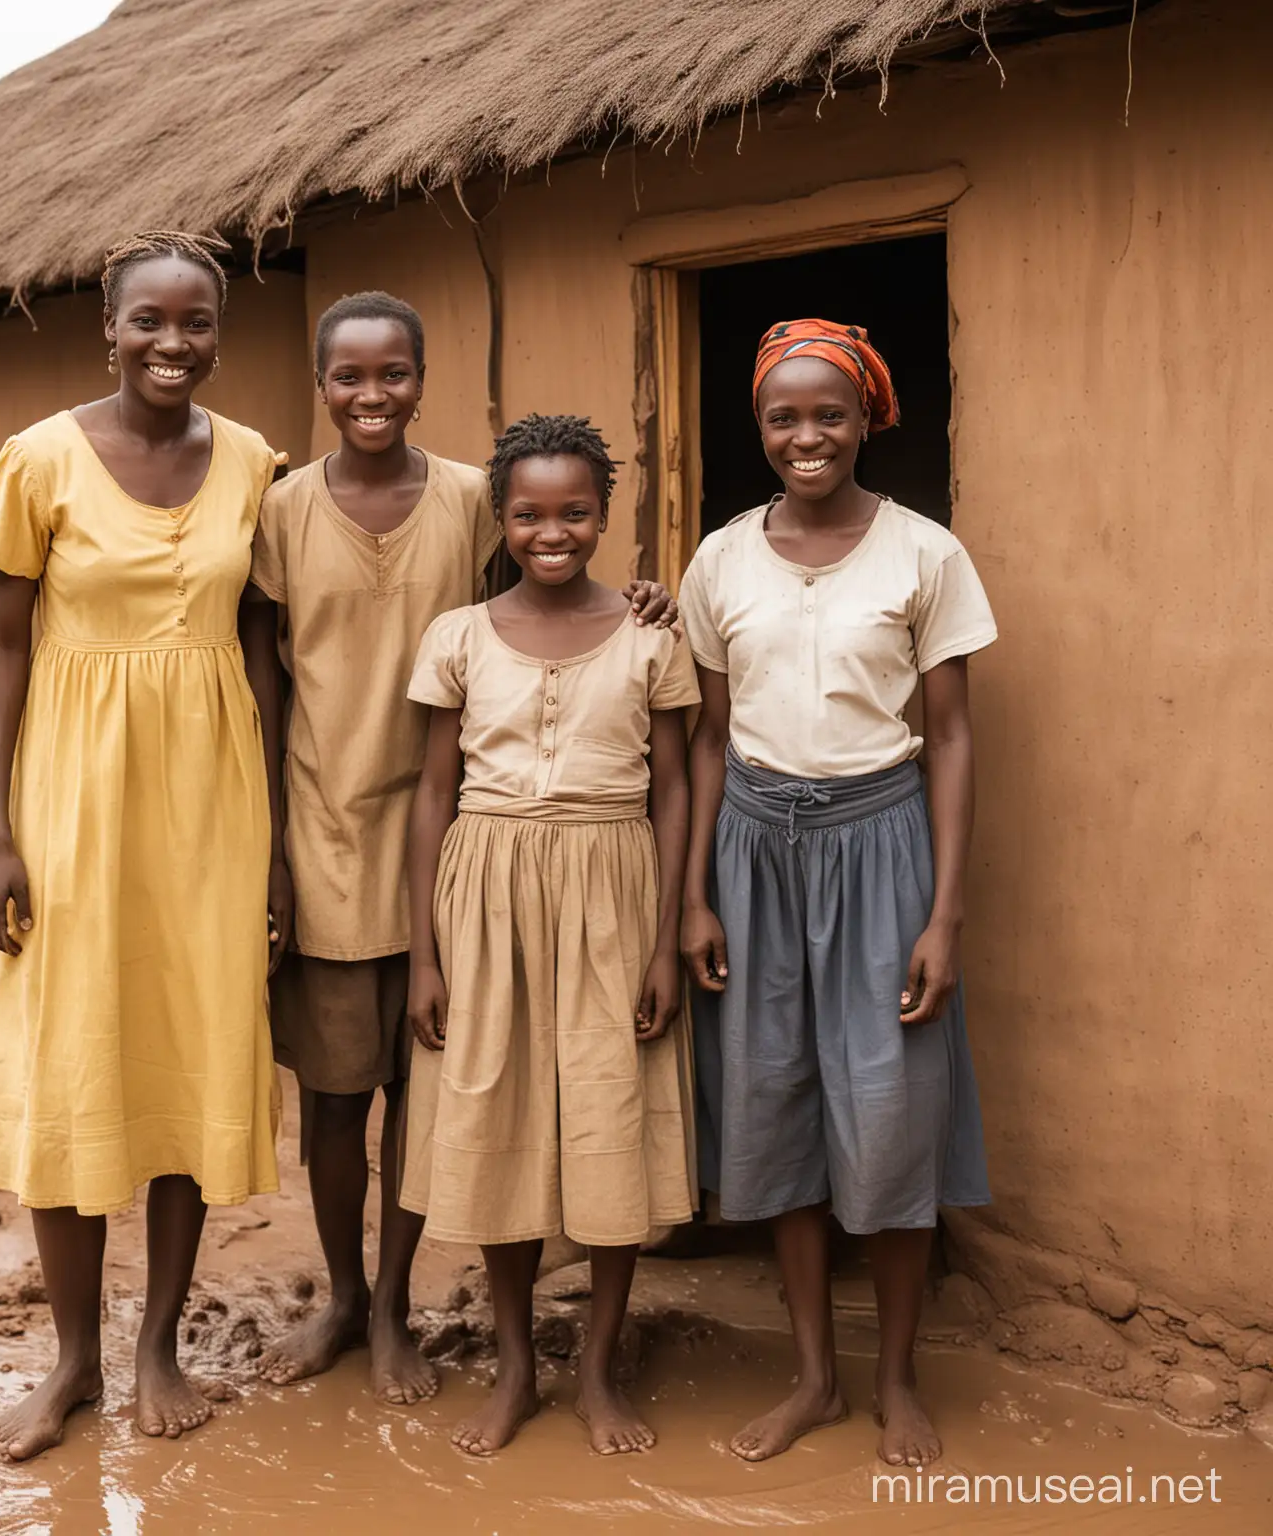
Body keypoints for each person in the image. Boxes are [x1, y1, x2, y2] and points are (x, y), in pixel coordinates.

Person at [249, 296, 677, 1406]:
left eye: (394, 373)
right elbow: (263, 681)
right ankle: (348, 1298)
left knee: (428, 1095)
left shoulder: (472, 504)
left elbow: (549, 614)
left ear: (424, 378)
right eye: (349, 376)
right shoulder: (284, 511)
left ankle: (394, 1310)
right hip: (333, 834)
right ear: (321, 385)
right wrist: (273, 851)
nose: (373, 394)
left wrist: (643, 598)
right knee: (340, 1096)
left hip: (471, 856)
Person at [0, 231, 290, 1462]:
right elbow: (2, 647)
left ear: (219, 331)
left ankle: (156, 1343)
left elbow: (262, 649)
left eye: (197, 323)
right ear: (108, 328)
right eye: (149, 321)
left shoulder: (254, 462)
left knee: (186, 1051)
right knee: (67, 1057)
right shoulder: (38, 460)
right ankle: (72, 1362)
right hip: (70, 796)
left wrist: (264, 843)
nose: (174, 344)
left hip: (212, 799)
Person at [680, 319, 995, 1470]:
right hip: (754, 848)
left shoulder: (923, 555)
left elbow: (952, 738)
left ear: (867, 419)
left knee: (891, 1112)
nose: (805, 435)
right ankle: (814, 1378)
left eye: (829, 414)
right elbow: (708, 740)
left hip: (882, 844)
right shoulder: (720, 560)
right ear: (758, 428)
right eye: (782, 416)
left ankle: (897, 1379)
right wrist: (695, 896)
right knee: (774, 1112)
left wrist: (943, 914)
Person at [404, 413, 699, 1457]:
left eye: (575, 511)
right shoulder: (457, 635)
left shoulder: (654, 631)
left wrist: (663, 941)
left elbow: (672, 792)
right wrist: (426, 955)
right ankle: (520, 1366)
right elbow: (432, 792)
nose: (553, 531)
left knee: (610, 1123)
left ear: (605, 514)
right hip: (485, 895)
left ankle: (603, 1371)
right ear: (502, 518)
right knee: (501, 1124)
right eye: (529, 513)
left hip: (612, 891)